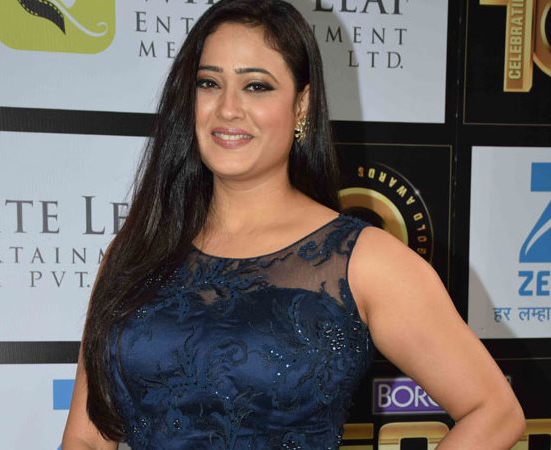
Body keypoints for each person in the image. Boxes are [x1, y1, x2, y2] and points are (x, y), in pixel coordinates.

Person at [62, 1, 525, 448]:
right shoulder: (137, 251)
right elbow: (86, 438)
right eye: (209, 83)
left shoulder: (361, 260)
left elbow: (495, 412)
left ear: (302, 105)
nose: (227, 108)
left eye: (256, 86)